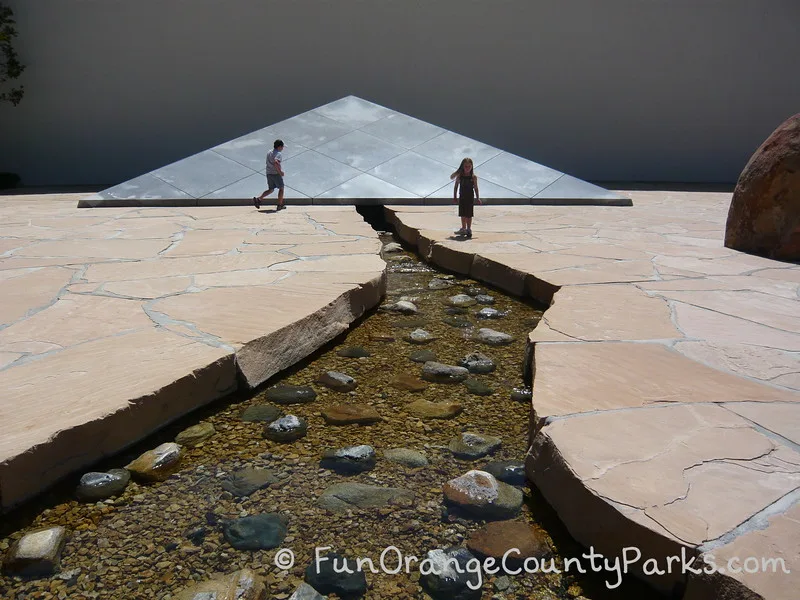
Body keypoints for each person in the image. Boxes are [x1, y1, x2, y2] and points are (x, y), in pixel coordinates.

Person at [451, 157, 481, 238]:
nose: (467, 168)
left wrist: (478, 198)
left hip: (470, 197)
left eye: (469, 166)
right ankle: (463, 228)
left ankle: (469, 229)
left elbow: (476, 188)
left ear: (472, 167)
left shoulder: (473, 177)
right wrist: (455, 196)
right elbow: (456, 186)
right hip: (462, 197)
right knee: (462, 213)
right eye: (466, 166)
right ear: (462, 167)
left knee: (469, 214)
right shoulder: (460, 176)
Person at [253, 139, 286, 210]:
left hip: (269, 173)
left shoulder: (269, 152)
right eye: (282, 147)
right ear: (279, 147)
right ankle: (280, 205)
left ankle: (259, 199)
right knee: (281, 188)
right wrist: (280, 172)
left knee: (271, 189)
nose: (283, 148)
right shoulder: (278, 154)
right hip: (275, 174)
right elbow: (276, 162)